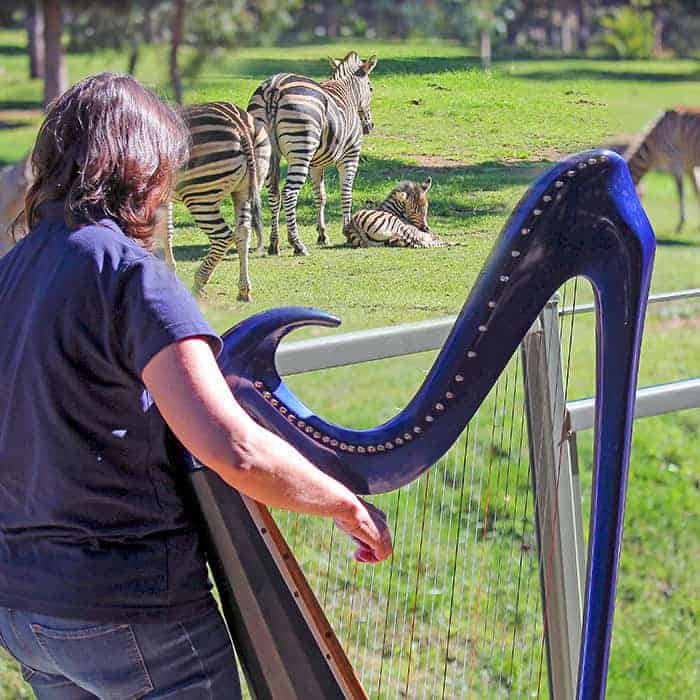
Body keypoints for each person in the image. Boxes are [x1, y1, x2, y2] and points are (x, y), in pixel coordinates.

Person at [0, 73, 392, 699]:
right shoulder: (132, 278)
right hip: (133, 612)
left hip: (25, 612)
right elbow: (232, 448)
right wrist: (342, 502)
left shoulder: (8, 274)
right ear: (141, 168)